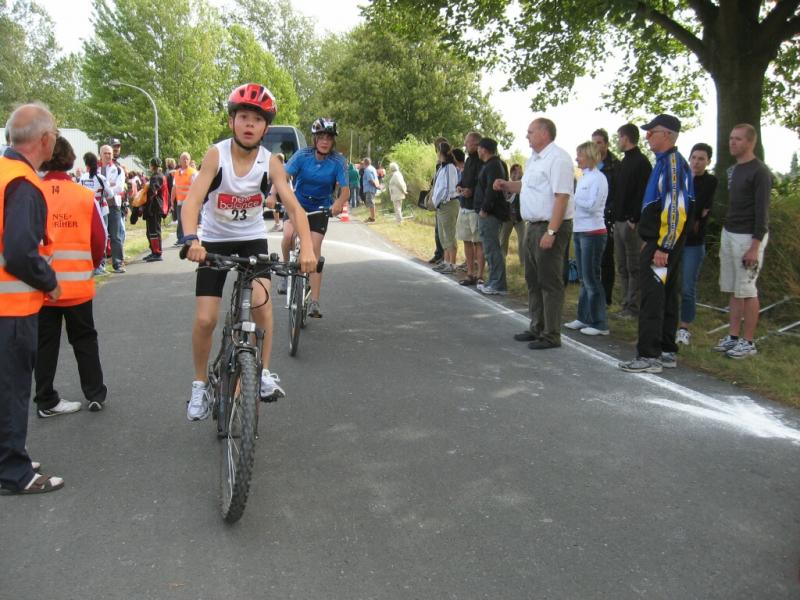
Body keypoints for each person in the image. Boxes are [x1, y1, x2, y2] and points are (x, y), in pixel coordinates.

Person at [181, 83, 316, 421]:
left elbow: (294, 208)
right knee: (206, 319)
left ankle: (264, 373)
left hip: (252, 238)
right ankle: (199, 385)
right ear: (232, 121)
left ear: (265, 128)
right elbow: (193, 201)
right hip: (214, 240)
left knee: (261, 303)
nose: (249, 124)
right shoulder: (217, 155)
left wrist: (307, 248)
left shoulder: (271, 163)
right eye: (243, 117)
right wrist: (191, 240)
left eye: (257, 119)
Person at [0, 103, 65, 494]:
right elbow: (20, 252)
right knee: (12, 388)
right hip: (11, 308)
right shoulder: (23, 184)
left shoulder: (4, 173)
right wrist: (49, 281)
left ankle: (9, 456)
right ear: (44, 139)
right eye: (54, 131)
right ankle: (15, 473)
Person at [35, 136, 108, 417]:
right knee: (85, 339)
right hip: (77, 282)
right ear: (69, 159)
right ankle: (95, 393)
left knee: (45, 343)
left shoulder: (33, 192)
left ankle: (45, 398)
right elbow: (99, 240)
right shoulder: (83, 195)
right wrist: (92, 264)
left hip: (42, 284)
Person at [619, 114, 694, 373]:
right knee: (666, 294)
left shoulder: (672, 164)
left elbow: (675, 208)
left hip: (663, 244)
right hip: (659, 241)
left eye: (653, 132)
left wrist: (664, 246)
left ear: (668, 135)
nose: (648, 136)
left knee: (652, 295)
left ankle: (649, 355)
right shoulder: (665, 163)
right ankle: (666, 350)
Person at [495, 118, 575, 350]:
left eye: (530, 132)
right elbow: (527, 186)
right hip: (532, 225)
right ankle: (537, 326)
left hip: (549, 225)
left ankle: (551, 334)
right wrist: (507, 185)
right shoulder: (534, 160)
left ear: (544, 133)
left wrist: (552, 231)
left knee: (550, 282)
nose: (527, 136)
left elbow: (562, 197)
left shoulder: (558, 159)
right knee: (533, 279)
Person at [276, 117, 348, 318]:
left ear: (333, 141)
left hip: (320, 208)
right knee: (288, 236)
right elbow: (283, 176)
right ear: (315, 139)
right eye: (321, 137)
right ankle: (285, 271)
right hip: (297, 205)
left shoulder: (338, 161)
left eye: (329, 138)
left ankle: (314, 301)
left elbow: (345, 190)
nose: (325, 141)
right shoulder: (302, 155)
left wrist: (338, 203)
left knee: (314, 250)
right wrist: (275, 194)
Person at [713, 124, 772, 359]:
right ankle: (733, 336)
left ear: (750, 142)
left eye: (738, 139)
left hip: (749, 237)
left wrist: (755, 246)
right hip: (730, 232)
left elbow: (762, 212)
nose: (732, 142)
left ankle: (748, 342)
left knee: (747, 290)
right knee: (734, 289)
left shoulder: (760, 172)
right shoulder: (733, 170)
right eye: (731, 138)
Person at [564, 141, 610, 336]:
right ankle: (583, 317)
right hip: (580, 230)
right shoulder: (584, 177)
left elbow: (593, 205)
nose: (577, 159)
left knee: (592, 278)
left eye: (580, 155)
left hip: (593, 232)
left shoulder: (599, 179)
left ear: (590, 156)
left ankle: (600, 323)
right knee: (584, 278)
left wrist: (573, 198)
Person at [676, 143, 717, 345]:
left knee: (687, 286)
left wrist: (696, 213)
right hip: (675, 239)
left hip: (694, 242)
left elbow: (699, 205)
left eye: (701, 159)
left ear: (708, 161)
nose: (696, 162)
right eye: (693, 157)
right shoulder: (681, 178)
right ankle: (667, 321)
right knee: (670, 283)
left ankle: (684, 327)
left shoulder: (710, 181)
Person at [612, 123, 652, 319]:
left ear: (626, 138)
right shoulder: (623, 162)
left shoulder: (641, 162)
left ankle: (634, 307)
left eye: (619, 137)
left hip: (631, 223)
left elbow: (643, 193)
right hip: (619, 222)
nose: (618, 141)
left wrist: (634, 218)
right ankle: (625, 304)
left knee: (634, 266)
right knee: (622, 266)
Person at [474, 137, 510, 295]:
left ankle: (498, 284)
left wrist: (485, 208)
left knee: (491, 248)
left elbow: (492, 189)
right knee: (489, 248)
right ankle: (494, 281)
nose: (477, 150)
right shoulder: (490, 165)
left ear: (484, 149)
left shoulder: (494, 165)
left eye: (479, 147)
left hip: (490, 214)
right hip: (488, 212)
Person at [592, 128, 619, 306]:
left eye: (599, 143)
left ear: (607, 144)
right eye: (593, 143)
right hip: (591, 218)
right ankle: (594, 295)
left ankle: (606, 297)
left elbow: (618, 194)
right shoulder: (591, 164)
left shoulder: (615, 166)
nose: (596, 146)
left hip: (607, 217)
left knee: (606, 258)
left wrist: (609, 212)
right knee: (593, 258)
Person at [455, 132, 484, 286]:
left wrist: (471, 191)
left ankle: (480, 275)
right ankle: (470, 273)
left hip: (475, 207)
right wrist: (459, 186)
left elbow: (482, 182)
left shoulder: (481, 160)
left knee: (478, 241)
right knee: (466, 240)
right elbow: (464, 178)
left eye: (467, 142)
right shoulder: (468, 160)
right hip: (464, 206)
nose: (465, 145)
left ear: (475, 143)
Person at [431, 142, 460, 275]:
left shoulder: (449, 167)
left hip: (448, 204)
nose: (437, 154)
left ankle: (452, 264)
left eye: (438, 151)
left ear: (441, 152)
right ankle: (446, 261)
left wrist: (439, 200)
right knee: (443, 236)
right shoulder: (442, 167)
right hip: (441, 205)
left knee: (449, 234)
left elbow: (447, 188)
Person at [99, 144, 126, 273]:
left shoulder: (118, 169)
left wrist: (105, 189)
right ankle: (100, 265)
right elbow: (93, 185)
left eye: (110, 153)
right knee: (101, 235)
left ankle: (118, 263)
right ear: (100, 155)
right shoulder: (95, 169)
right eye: (105, 153)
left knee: (115, 235)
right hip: (99, 206)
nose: (108, 155)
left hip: (114, 205)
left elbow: (119, 187)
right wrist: (110, 185)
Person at [141, 158, 169, 262]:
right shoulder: (159, 175)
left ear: (152, 166)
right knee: (150, 231)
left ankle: (157, 253)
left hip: (155, 207)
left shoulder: (156, 176)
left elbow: (152, 192)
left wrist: (144, 196)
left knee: (154, 231)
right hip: (155, 206)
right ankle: (154, 251)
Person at [498, 163, 525, 266]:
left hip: (519, 218)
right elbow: (507, 198)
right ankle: (501, 262)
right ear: (511, 173)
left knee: (523, 240)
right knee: (503, 240)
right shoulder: (507, 185)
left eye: (520, 171)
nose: (518, 173)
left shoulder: (523, 185)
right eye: (516, 172)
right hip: (507, 218)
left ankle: (523, 263)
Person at [170, 152, 197, 246]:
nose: (185, 161)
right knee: (180, 220)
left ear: (189, 160)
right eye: (183, 159)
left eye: (187, 159)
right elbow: (174, 187)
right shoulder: (177, 173)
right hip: (180, 201)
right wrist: (171, 200)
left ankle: (189, 239)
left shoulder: (193, 172)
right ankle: (180, 239)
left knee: (189, 220)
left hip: (190, 201)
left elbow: (197, 187)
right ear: (180, 161)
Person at [361, 157, 380, 223]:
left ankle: (372, 218)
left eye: (363, 163)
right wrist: (377, 186)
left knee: (371, 203)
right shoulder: (373, 168)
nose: (362, 164)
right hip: (372, 188)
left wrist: (376, 186)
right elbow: (376, 178)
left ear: (365, 163)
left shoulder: (367, 169)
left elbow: (370, 180)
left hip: (369, 188)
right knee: (371, 202)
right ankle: (372, 217)